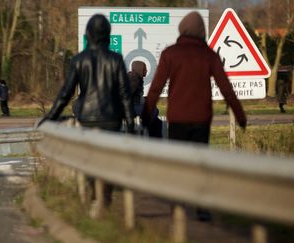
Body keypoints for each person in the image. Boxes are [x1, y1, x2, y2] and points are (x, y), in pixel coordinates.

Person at [141, 11, 247, 221]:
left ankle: (178, 205)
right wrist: (240, 115)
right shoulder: (209, 55)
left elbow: (155, 88)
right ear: (201, 32)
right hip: (201, 118)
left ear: (182, 29)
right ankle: (202, 207)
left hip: (177, 118)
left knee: (179, 162)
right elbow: (226, 89)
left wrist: (145, 115)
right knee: (201, 162)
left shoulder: (170, 54)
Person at [38, 14, 135, 209]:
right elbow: (125, 95)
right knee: (108, 158)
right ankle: (105, 196)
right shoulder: (116, 60)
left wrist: (50, 116)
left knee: (90, 158)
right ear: (107, 35)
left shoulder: (78, 60)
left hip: (88, 118)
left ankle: (94, 194)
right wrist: (130, 123)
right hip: (111, 118)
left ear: (88, 34)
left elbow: (65, 93)